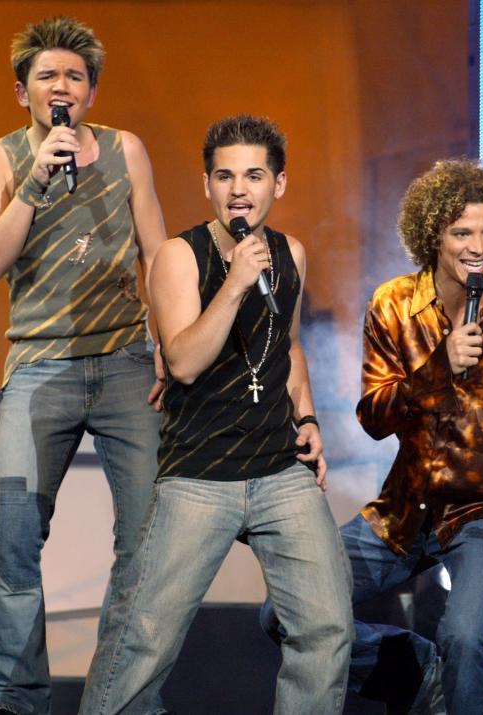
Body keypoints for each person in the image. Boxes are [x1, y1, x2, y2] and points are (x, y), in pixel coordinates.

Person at [79, 114, 352, 715]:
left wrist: (307, 421)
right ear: (207, 185)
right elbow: (181, 361)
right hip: (198, 475)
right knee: (143, 642)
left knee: (327, 632)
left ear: (278, 184)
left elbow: (291, 347)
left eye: (254, 175)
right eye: (224, 176)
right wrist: (233, 284)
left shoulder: (291, 254)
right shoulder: (180, 256)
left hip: (280, 470)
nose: (238, 189)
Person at [264, 158, 483, 714]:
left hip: (481, 512)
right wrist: (437, 370)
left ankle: (456, 678)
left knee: (467, 640)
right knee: (283, 612)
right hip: (402, 508)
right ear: (433, 236)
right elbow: (374, 416)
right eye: (462, 232)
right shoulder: (394, 304)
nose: (478, 245)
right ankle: (424, 674)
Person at [0, 17, 166, 715]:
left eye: (75, 77)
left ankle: (124, 700)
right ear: (22, 90)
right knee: (15, 537)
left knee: (150, 540)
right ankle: (12, 702)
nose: (62, 87)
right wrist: (35, 181)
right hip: (37, 367)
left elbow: (159, 254)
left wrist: (170, 341)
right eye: (48, 76)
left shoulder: (126, 150)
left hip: (125, 362)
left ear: (90, 92)